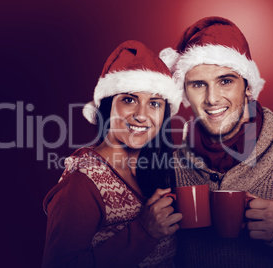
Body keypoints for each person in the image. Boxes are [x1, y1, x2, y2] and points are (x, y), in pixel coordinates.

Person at [159, 16, 273, 267]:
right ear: (185, 93)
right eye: (199, 84)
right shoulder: (169, 164)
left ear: (247, 86)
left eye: (225, 81)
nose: (212, 98)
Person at [42, 40, 184, 267]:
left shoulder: (159, 168)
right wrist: (143, 231)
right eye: (129, 100)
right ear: (108, 107)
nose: (141, 115)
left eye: (154, 103)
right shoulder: (82, 182)